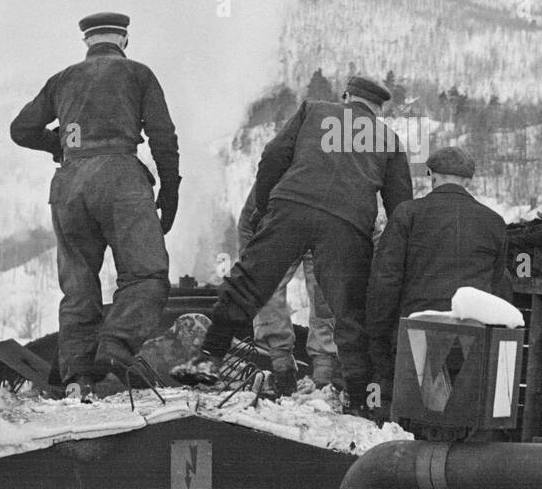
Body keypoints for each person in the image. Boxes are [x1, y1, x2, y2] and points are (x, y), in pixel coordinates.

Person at [189, 75, 412, 405]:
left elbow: (273, 156)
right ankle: (360, 399)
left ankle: (209, 357)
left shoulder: (313, 111)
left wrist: (265, 208)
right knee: (349, 314)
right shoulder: (389, 140)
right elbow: (401, 208)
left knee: (250, 283)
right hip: (347, 226)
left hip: (292, 207)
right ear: (377, 109)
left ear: (346, 96)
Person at [10, 11, 180, 400]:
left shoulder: (62, 80)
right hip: (120, 179)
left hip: (68, 185)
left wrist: (61, 145)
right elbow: (162, 134)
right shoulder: (138, 73)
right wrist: (169, 189)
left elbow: (21, 129)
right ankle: (113, 355)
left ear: (86, 42)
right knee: (146, 276)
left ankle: (77, 378)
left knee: (78, 288)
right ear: (124, 40)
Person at [364, 145, 511, 395]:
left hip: (415, 334)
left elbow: (386, 279)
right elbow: (499, 287)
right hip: (471, 338)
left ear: (432, 175)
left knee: (405, 410)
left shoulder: (408, 214)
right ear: (469, 180)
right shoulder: (494, 222)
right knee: (457, 407)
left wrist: (376, 334)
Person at [234, 191, 338, 392]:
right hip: (324, 216)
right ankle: (321, 374)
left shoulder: (284, 165)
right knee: (325, 293)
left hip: (288, 217)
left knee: (269, 286)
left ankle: (287, 369)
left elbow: (247, 221)